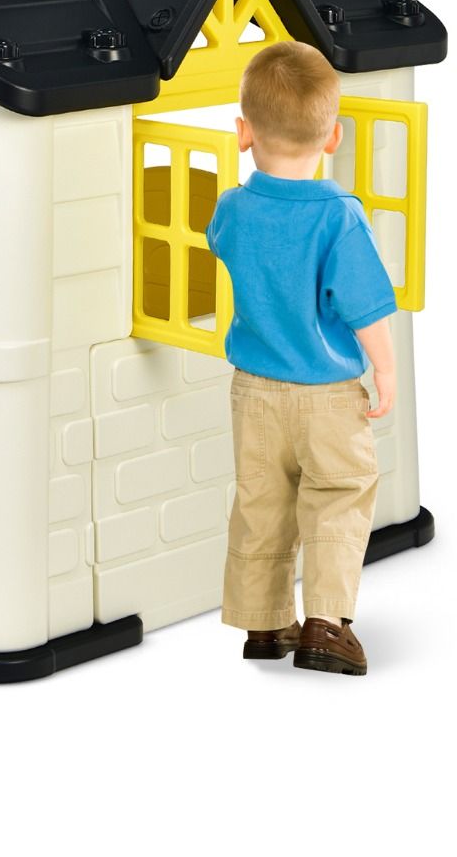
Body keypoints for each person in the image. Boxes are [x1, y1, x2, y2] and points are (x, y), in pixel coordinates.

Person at [207, 40, 397, 676]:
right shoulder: (339, 216)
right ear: (332, 137)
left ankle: (264, 624)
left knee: (261, 503)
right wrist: (385, 371)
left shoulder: (232, 208)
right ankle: (326, 624)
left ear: (243, 133)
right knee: (338, 497)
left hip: (254, 392)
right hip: (327, 395)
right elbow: (366, 307)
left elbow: (219, 242)